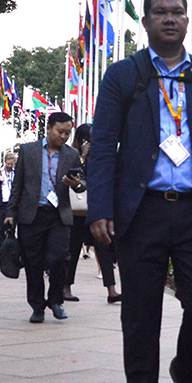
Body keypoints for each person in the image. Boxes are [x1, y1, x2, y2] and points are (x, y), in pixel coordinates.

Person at [89, 0, 192, 383]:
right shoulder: (124, 76)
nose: (170, 19)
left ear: (188, 21)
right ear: (144, 23)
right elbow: (103, 146)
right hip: (141, 212)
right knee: (140, 318)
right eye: (160, 12)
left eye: (178, 12)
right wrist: (101, 208)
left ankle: (186, 372)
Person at [8, 113, 84, 323]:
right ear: (48, 128)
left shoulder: (71, 154)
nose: (64, 137)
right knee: (34, 263)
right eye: (60, 132)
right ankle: (37, 306)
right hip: (32, 216)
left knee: (59, 258)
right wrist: (11, 213)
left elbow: (82, 183)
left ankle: (56, 300)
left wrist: (75, 184)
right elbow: (18, 185)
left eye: (68, 133)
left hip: (59, 216)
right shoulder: (28, 151)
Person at [62, 125, 120, 304]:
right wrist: (83, 157)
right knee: (72, 249)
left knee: (104, 249)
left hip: (97, 209)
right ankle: (66, 287)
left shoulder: (103, 156)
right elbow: (73, 178)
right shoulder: (72, 156)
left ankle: (111, 290)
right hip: (79, 212)